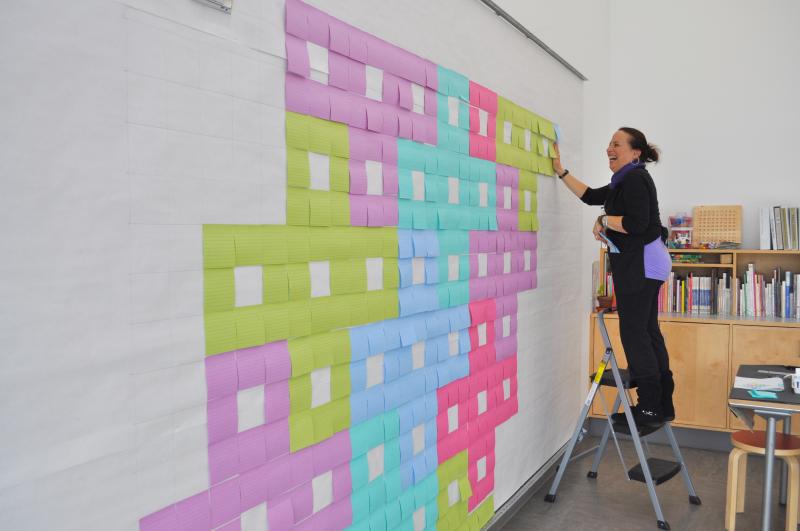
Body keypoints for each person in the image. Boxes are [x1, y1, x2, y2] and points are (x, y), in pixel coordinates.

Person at [554, 127, 674, 427]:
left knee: (635, 333)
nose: (610, 147)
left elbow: (636, 224)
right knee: (646, 331)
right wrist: (561, 171)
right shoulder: (624, 181)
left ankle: (648, 407)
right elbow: (592, 196)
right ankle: (661, 404)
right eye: (609, 143)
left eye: (617, 144)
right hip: (648, 262)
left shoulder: (634, 178)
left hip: (642, 263)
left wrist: (604, 220)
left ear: (635, 152)